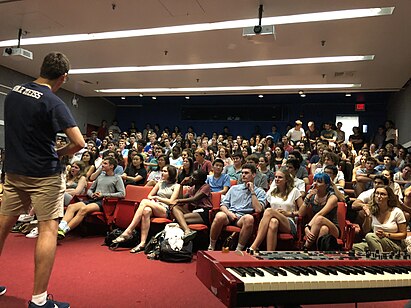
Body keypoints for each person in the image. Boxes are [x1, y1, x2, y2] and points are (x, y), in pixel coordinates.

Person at [0, 52, 84, 307]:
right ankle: (38, 300)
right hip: (43, 175)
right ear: (63, 77)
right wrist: (59, 153)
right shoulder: (53, 101)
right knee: (48, 228)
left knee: (2, 225)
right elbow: (79, 143)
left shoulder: (13, 92)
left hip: (14, 170)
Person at [112, 165, 180, 253]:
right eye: (162, 171)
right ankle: (142, 243)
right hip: (154, 205)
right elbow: (150, 195)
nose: (162, 173)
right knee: (146, 211)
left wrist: (158, 198)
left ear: (171, 173)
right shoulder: (160, 183)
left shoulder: (176, 186)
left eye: (165, 171)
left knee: (144, 201)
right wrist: (155, 199)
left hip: (165, 209)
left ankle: (129, 230)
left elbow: (171, 201)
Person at [57, 157, 125, 239]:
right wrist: (92, 194)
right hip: (93, 199)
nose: (102, 165)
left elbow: (122, 194)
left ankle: (64, 231)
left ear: (111, 166)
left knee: (83, 209)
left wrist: (103, 194)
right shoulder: (100, 177)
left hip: (104, 202)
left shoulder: (117, 178)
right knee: (71, 207)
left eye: (105, 163)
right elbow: (90, 190)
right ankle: (60, 227)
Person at [208, 163, 266, 252]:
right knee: (220, 215)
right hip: (230, 215)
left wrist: (252, 191)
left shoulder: (260, 192)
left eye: (246, 173)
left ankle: (238, 250)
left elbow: (258, 209)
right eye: (242, 173)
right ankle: (211, 246)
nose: (243, 175)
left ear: (254, 175)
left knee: (249, 218)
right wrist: (229, 213)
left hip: (242, 218)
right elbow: (223, 205)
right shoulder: (234, 188)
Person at [250, 168, 303, 251]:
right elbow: (260, 208)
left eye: (280, 177)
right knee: (273, 222)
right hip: (273, 220)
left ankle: (254, 246)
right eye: (276, 177)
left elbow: (302, 212)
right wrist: (252, 192)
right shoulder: (272, 191)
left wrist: (289, 213)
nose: (277, 179)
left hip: (288, 222)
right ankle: (269, 254)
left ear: (286, 180)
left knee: (269, 211)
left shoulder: (294, 191)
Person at [353, 186, 407, 252]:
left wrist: (385, 234)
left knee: (370, 236)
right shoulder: (372, 210)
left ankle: (380, 260)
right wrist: (367, 217)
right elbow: (366, 230)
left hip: (394, 242)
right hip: (375, 240)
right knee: (355, 247)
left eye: (382, 194)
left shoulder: (397, 212)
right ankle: (377, 254)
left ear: (389, 197)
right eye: (377, 193)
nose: (379, 196)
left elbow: (403, 234)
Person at [300, 173, 340, 250]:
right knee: (324, 229)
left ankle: (305, 247)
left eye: (319, 182)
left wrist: (307, 227)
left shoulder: (332, 197)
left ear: (326, 185)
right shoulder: (312, 197)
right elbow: (301, 213)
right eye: (314, 181)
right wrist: (308, 197)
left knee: (320, 219)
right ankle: (319, 253)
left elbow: (321, 214)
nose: (315, 183)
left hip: (333, 228)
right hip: (317, 227)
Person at [171, 170, 213, 239]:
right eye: (192, 176)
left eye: (194, 177)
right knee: (176, 208)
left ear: (200, 179)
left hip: (204, 212)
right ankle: (187, 231)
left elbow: (194, 199)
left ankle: (187, 231)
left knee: (179, 219)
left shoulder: (206, 187)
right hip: (193, 211)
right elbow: (182, 200)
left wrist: (177, 200)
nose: (191, 178)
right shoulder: (192, 188)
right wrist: (181, 185)